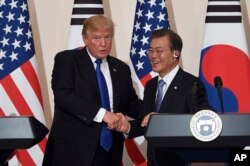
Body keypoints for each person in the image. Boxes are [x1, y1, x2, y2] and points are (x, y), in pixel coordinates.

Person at [42, 15, 142, 166]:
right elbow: (63, 96)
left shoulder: (121, 68)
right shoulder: (68, 60)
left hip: (110, 151)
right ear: (85, 39)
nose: (103, 44)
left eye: (107, 37)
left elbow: (130, 104)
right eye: (97, 38)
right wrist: (102, 114)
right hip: (74, 151)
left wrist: (152, 112)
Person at [118, 28, 211, 166]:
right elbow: (148, 122)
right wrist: (128, 128)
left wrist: (163, 121)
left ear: (175, 53)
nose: (153, 55)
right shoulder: (151, 85)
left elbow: (200, 124)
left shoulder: (192, 84)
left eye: (159, 51)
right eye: (150, 50)